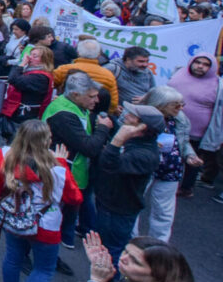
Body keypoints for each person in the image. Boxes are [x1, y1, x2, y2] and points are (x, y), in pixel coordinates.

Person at [0, 120, 80, 282]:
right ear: (46, 140)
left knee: (13, 258)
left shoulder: (4, 155)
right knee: (44, 269)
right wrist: (63, 162)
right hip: (46, 226)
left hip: (14, 218)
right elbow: (74, 198)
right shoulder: (56, 167)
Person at [42, 72, 114, 250]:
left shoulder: (74, 107)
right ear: (75, 94)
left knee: (67, 215)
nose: (96, 101)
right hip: (64, 175)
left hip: (72, 173)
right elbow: (89, 147)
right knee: (57, 218)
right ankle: (52, 250)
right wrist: (103, 129)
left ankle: (61, 243)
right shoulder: (64, 115)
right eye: (91, 96)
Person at [94, 102, 163, 266]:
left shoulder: (144, 155)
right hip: (111, 204)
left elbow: (108, 164)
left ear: (141, 127)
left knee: (111, 251)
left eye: (131, 116)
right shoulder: (136, 142)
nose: (125, 116)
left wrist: (117, 140)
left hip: (118, 210)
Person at [133, 87, 197, 243]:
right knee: (133, 203)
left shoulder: (180, 119)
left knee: (164, 211)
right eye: (175, 105)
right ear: (160, 104)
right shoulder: (139, 116)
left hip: (170, 169)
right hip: (144, 168)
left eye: (181, 104)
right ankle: (131, 240)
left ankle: (159, 244)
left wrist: (190, 154)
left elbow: (183, 140)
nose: (180, 108)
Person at [81, 233, 194, 282]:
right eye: (125, 251)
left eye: (135, 261)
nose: (123, 258)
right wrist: (106, 278)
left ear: (157, 273)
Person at [167, 53, 220, 196]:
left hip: (196, 131)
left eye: (205, 64)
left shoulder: (217, 84)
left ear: (212, 67)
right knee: (168, 153)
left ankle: (186, 188)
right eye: (197, 62)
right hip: (170, 124)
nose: (200, 66)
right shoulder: (178, 73)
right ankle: (165, 181)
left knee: (192, 160)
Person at [0, 45, 54, 144]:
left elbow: (13, 79)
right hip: (21, 116)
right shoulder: (34, 73)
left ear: (44, 60)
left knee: (15, 143)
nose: (29, 58)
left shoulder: (40, 77)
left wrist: (21, 64)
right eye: (30, 54)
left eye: (35, 56)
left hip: (24, 118)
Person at [53, 39, 120, 114]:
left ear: (78, 53)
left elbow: (49, 86)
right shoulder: (108, 75)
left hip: (64, 110)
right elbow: (113, 104)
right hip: (95, 115)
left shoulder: (63, 69)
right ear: (99, 55)